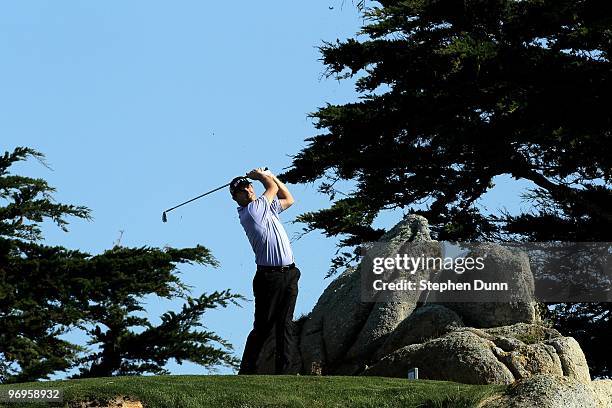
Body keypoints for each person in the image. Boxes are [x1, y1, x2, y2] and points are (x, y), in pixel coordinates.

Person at [230, 167, 300, 375]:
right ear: (236, 198)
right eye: (243, 190)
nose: (249, 190)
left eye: (248, 186)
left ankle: (284, 373)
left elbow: (288, 198)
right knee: (263, 327)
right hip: (268, 277)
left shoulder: (265, 209)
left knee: (285, 324)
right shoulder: (251, 212)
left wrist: (271, 176)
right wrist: (260, 175)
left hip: (290, 273)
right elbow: (270, 188)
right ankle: (248, 371)